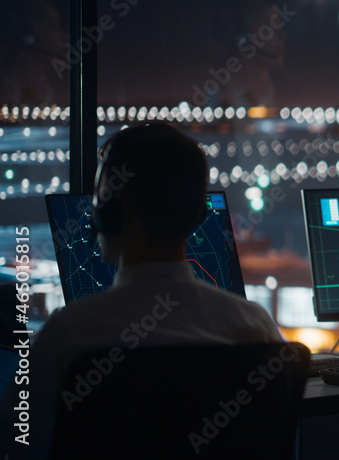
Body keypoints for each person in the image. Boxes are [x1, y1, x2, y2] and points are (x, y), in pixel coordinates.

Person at [2, 123, 283, 459]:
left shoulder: (68, 335)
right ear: (198, 215)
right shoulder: (255, 327)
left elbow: (17, 445)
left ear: (112, 212)